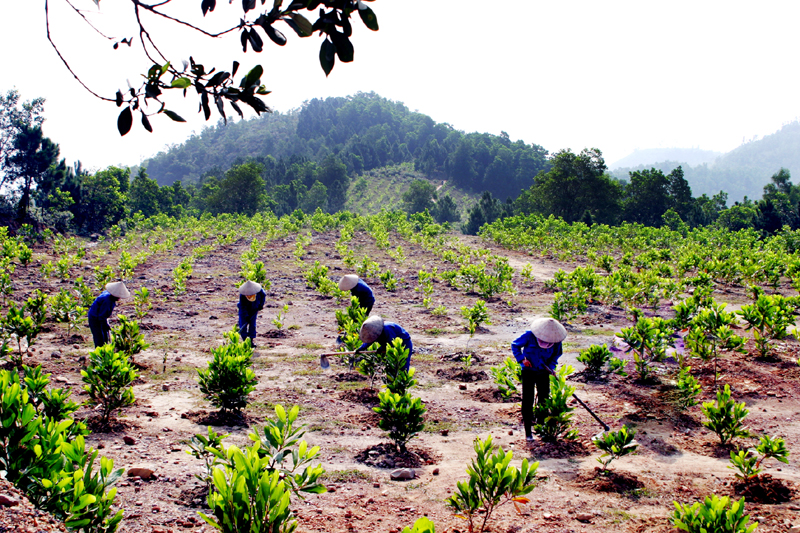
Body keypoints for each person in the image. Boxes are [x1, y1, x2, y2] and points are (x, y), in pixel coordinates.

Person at [511, 317, 567, 442]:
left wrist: (551, 367)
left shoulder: (556, 341)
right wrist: (522, 360)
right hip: (528, 372)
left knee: (544, 399)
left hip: (543, 372)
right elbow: (515, 345)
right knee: (528, 399)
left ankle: (541, 428)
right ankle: (528, 432)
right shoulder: (530, 336)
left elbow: (556, 355)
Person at [88, 281, 131, 347]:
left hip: (97, 315)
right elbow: (101, 317)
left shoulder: (108, 293)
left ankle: (104, 350)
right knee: (99, 337)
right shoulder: (108, 301)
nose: (119, 298)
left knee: (104, 336)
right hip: (94, 318)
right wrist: (106, 325)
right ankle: (100, 353)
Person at [238, 280, 266, 347]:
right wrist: (246, 315)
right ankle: (245, 341)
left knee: (252, 325)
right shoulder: (243, 295)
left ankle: (251, 341)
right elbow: (242, 306)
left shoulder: (259, 291)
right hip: (244, 310)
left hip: (254, 309)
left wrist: (260, 305)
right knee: (243, 325)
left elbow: (263, 297)